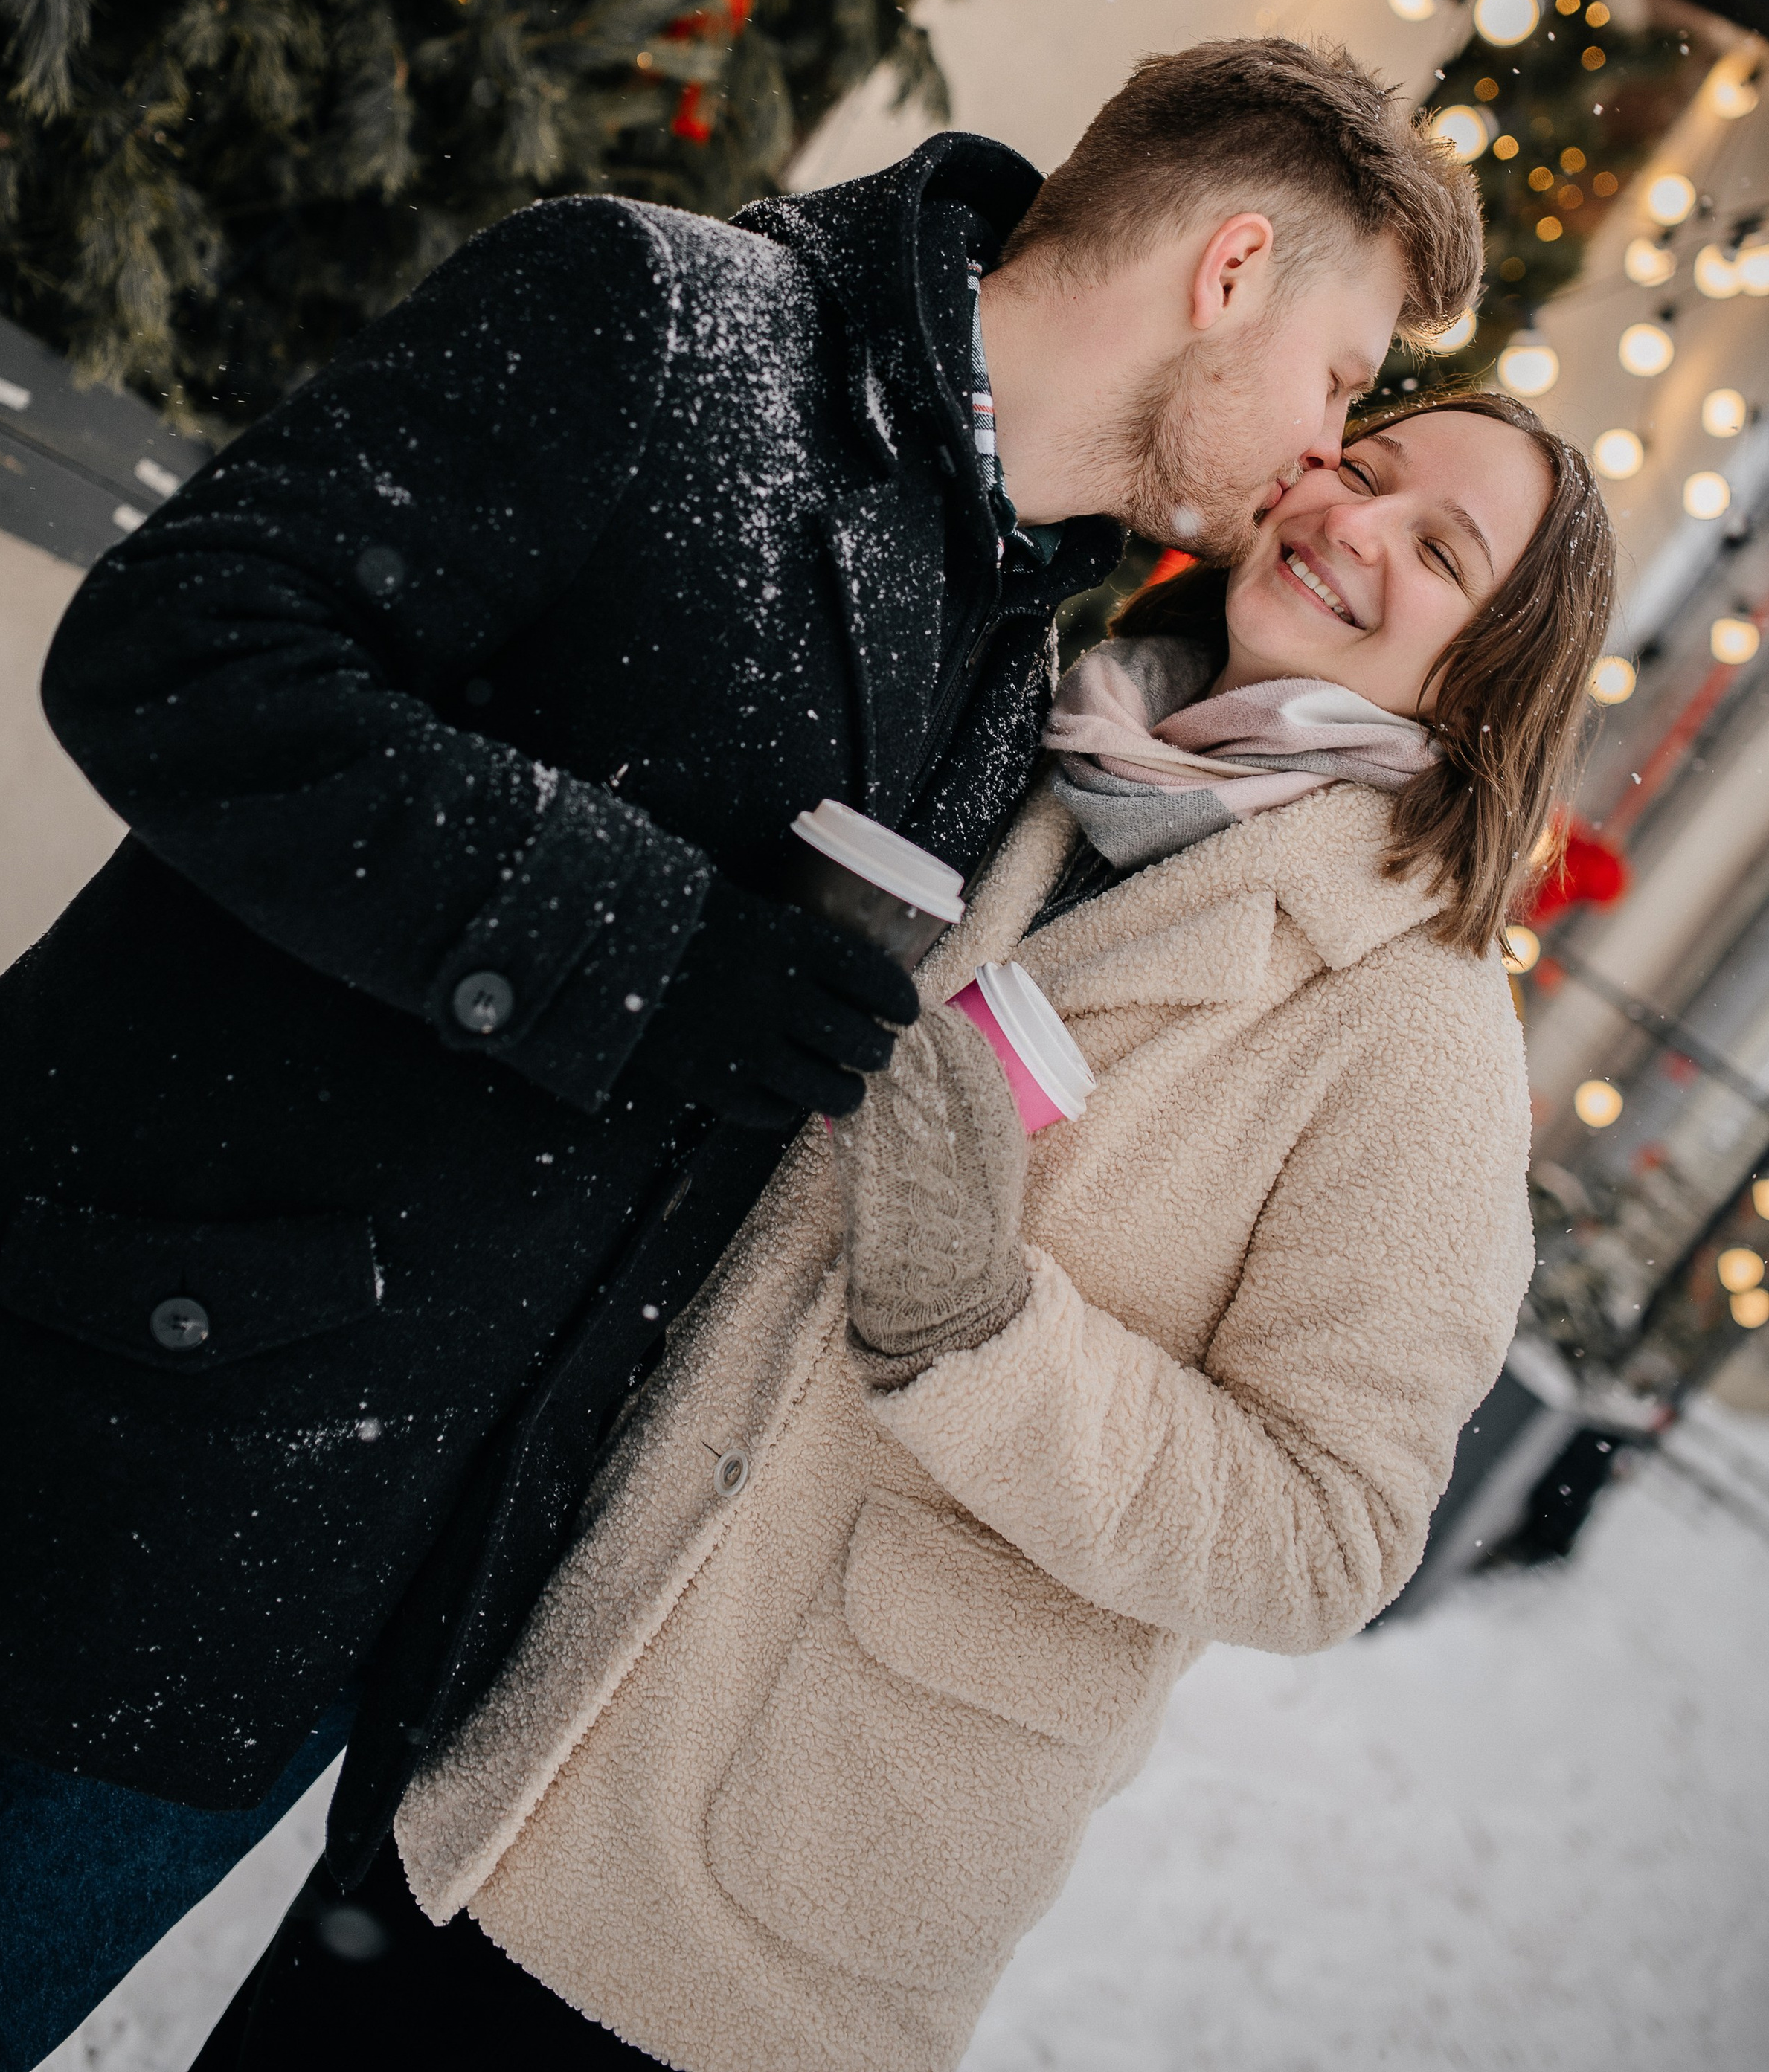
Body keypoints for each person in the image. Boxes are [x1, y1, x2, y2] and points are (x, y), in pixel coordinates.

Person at [0, 39, 1477, 2068]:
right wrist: (630, 949)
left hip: (311, 1604)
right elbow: (179, 651)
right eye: (1348, 380)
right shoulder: (651, 317)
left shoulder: (1027, 673)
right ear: (1231, 266)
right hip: (30, 1368)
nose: (1327, 459)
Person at [219, 390, 1614, 2071]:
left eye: (1438, 548)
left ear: (1487, 684)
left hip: (762, 1902)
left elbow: (1330, 1531)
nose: (1356, 522)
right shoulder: (1028, 748)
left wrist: (978, 1332)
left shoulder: (1416, 1038)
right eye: (1365, 468)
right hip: (503, 1717)